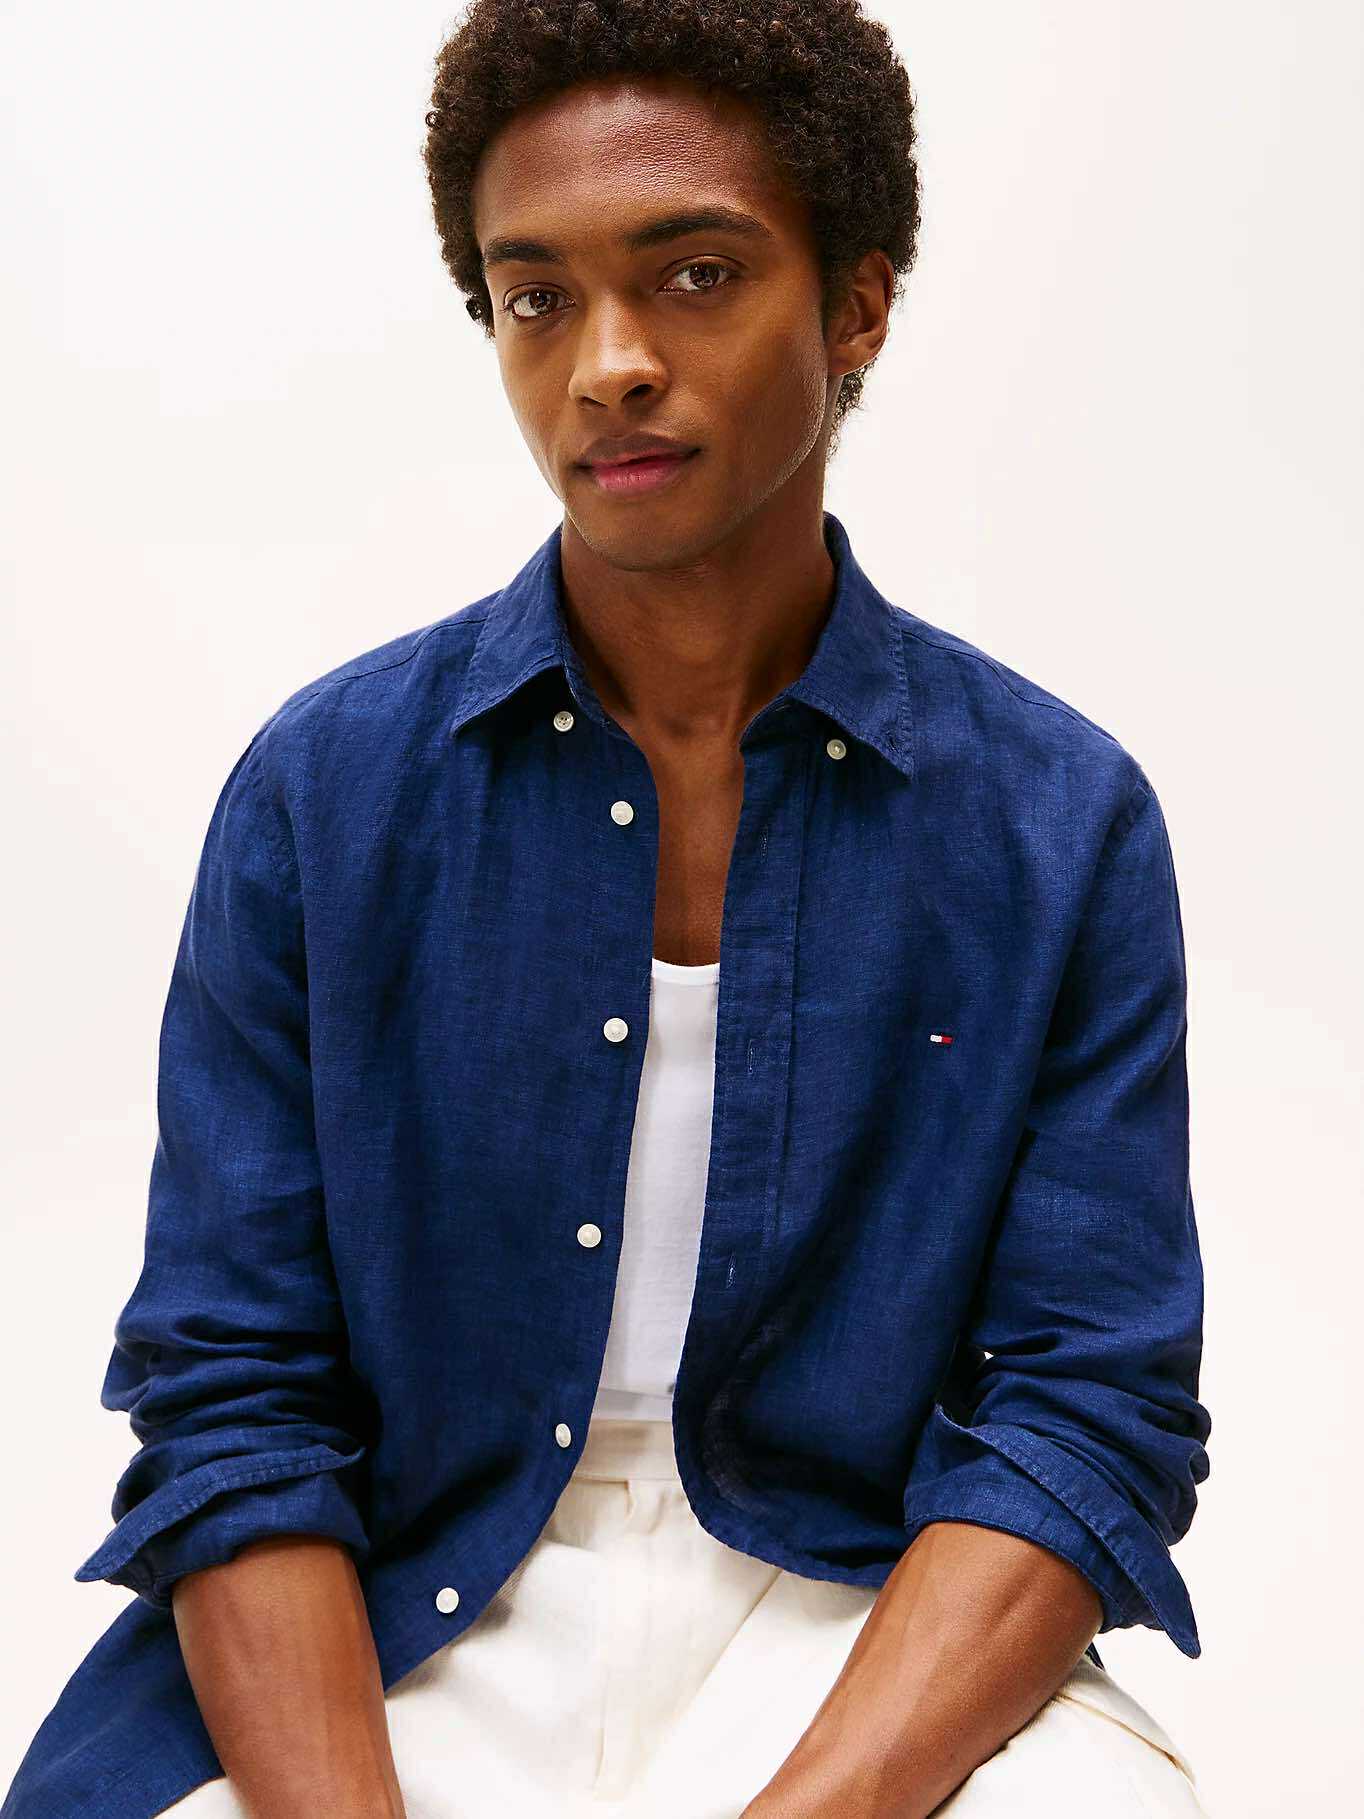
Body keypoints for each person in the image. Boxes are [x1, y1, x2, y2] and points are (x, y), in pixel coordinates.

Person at [3, 3, 1213, 1815]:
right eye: (536, 298)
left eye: (696, 276)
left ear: (858, 305)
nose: (608, 365)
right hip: (402, 1615)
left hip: (863, 1617)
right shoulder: (327, 794)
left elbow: (1085, 1410)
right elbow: (236, 1393)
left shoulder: (1057, 822)